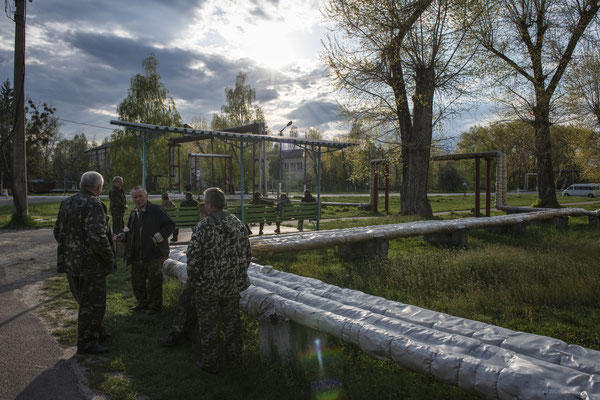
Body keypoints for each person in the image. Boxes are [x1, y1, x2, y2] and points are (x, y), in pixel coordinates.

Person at [187, 187, 252, 374]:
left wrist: (197, 281)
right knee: (232, 325)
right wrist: (236, 276)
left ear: (209, 205)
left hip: (208, 287)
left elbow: (193, 260)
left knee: (209, 326)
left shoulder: (203, 226)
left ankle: (210, 363)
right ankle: (235, 360)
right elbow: (247, 254)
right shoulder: (238, 224)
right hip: (232, 285)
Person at [53, 171, 116, 355]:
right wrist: (109, 258)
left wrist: (72, 250)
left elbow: (58, 231)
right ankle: (87, 344)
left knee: (83, 301)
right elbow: (97, 236)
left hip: (71, 263)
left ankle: (97, 333)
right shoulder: (93, 203)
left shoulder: (67, 202)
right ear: (98, 187)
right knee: (94, 304)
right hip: (91, 266)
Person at [116, 186, 175, 314]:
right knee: (137, 280)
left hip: (155, 253)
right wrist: (123, 236)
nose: (138, 199)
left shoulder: (156, 210)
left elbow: (170, 225)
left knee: (154, 282)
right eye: (135, 197)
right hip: (138, 253)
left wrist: (157, 238)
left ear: (146, 196)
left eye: (140, 196)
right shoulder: (133, 213)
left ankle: (155, 307)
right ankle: (142, 303)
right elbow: (131, 231)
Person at [159, 202, 206, 347]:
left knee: (185, 302)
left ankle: (179, 335)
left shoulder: (203, 227)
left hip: (203, 276)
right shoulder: (235, 224)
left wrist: (192, 276)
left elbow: (192, 256)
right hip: (228, 279)